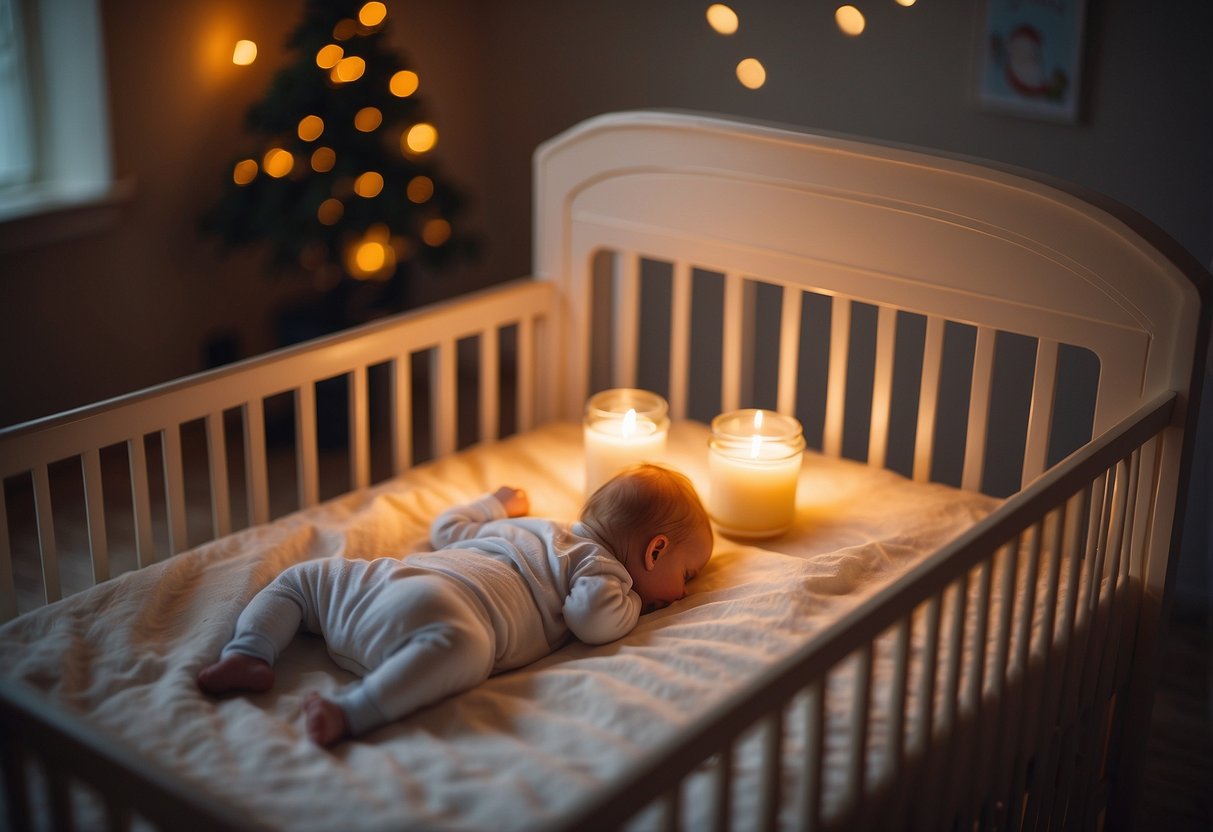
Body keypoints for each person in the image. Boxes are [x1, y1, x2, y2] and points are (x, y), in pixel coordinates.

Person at [197, 463, 713, 746]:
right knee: (467, 648)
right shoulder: (602, 570)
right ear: (654, 549)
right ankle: (348, 713)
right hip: (445, 610)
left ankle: (249, 651)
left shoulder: (531, 525)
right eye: (686, 575)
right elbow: (594, 619)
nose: (684, 592)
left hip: (391, 580)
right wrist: (637, 605)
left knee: (303, 579)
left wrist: (495, 504)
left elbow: (447, 530)